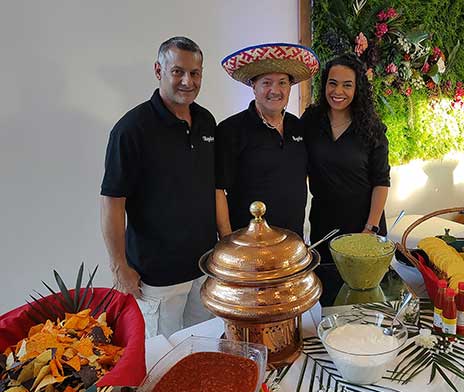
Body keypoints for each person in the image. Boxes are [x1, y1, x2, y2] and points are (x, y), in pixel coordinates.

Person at [100, 37, 216, 338]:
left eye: (195, 73)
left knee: (202, 350)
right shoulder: (131, 130)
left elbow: (213, 189)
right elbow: (113, 202)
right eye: (178, 71)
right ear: (158, 70)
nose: (187, 81)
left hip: (204, 270)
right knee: (161, 361)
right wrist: (119, 267)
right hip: (157, 277)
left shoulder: (206, 122)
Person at [215, 43, 320, 238]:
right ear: (253, 86)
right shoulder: (230, 129)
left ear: (290, 87)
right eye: (266, 82)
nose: (275, 90)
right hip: (248, 243)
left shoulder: (297, 126)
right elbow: (218, 189)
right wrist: (226, 238)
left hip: (292, 240)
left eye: (282, 82)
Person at [301, 54, 391, 266]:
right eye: (332, 83)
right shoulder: (311, 120)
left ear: (357, 88)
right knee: (327, 289)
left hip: (364, 225)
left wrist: (370, 229)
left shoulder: (371, 128)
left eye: (347, 85)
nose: (338, 92)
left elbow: (381, 181)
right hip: (323, 224)